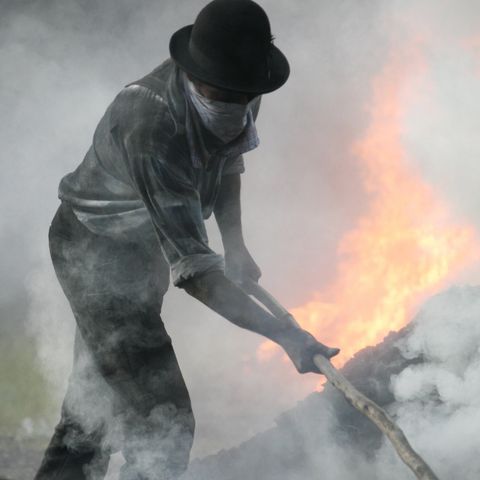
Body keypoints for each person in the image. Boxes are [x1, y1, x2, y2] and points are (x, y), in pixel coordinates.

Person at [34, 1, 340, 479]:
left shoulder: (242, 86)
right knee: (165, 423)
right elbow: (197, 275)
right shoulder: (151, 125)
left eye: (242, 95)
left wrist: (235, 245)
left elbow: (228, 159)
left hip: (146, 247)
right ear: (195, 72)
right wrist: (284, 335)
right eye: (221, 92)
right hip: (96, 252)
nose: (234, 105)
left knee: (96, 400)